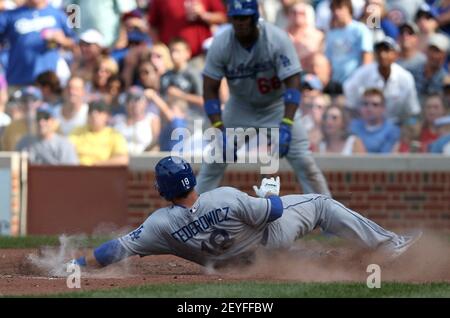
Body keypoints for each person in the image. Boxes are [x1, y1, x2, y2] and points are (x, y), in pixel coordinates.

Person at [70, 156, 422, 270]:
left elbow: (114, 249)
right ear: (192, 177)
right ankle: (386, 245)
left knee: (294, 258)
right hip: (271, 236)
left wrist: (77, 266)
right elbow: (275, 210)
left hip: (243, 264)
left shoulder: (158, 226)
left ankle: (344, 262)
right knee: (321, 205)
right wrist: (269, 194)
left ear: (162, 190)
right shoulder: (223, 195)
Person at [196, 0, 330, 196]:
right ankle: (190, 217)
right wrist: (218, 128)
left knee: (304, 162)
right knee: (214, 161)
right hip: (240, 106)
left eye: (245, 18)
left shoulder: (276, 38)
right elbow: (209, 89)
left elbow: (293, 82)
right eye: (236, 18)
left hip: (276, 105)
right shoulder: (221, 42)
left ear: (255, 17)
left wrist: (286, 122)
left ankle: (330, 218)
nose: (241, 23)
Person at [343, 37, 421, 125]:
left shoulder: (405, 78)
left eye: (387, 50)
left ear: (395, 55)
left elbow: (412, 111)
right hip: (366, 125)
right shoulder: (362, 74)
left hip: (395, 126)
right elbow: (348, 100)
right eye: (379, 51)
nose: (382, 55)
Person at [0, 0, 75, 86]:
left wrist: (62, 40)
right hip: (18, 81)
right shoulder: (10, 15)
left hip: (49, 84)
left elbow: (74, 44)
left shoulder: (57, 14)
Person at [69, 101, 129, 166]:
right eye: (90, 111)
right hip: (77, 170)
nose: (94, 114)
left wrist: (97, 165)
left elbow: (123, 159)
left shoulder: (114, 134)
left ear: (107, 116)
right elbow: (66, 151)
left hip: (102, 173)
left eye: (99, 111)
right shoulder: (77, 131)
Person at [350, 88, 401, 153]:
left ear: (383, 108)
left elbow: (386, 159)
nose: (369, 108)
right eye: (365, 104)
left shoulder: (392, 131)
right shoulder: (353, 127)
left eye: (375, 105)